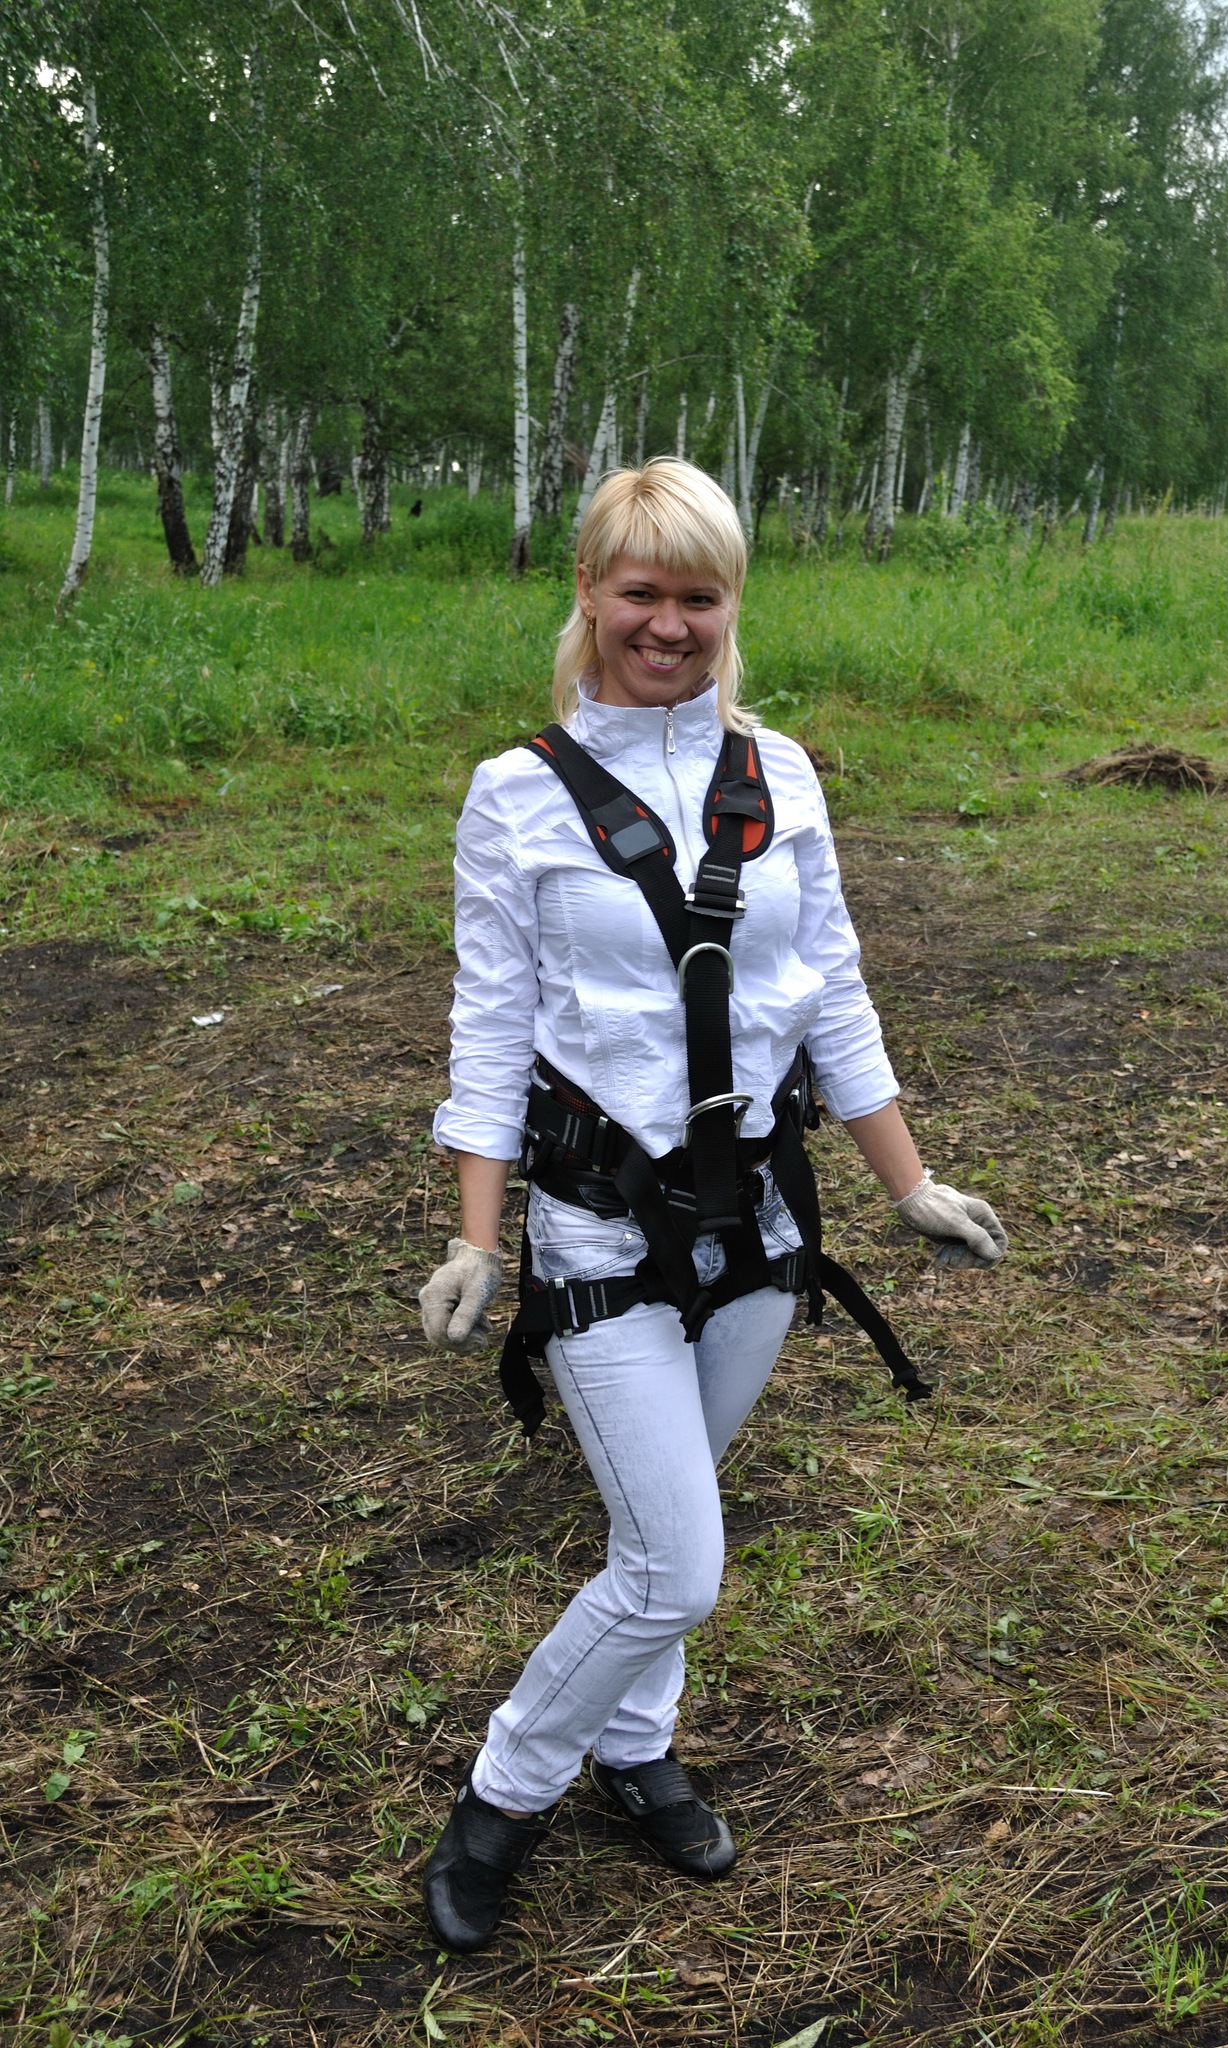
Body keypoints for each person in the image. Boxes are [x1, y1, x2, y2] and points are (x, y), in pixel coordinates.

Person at [417, 458, 1007, 1952]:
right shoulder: (517, 793)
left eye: (699, 595)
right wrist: (477, 1235)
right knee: (675, 1563)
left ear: (732, 603)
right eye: (641, 592)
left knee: (664, 1523)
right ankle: (504, 1795)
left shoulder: (782, 774)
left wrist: (909, 1182)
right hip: (602, 1231)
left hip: (761, 1230)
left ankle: (635, 1747)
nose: (668, 626)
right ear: (590, 592)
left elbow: (835, 993)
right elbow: (490, 1026)